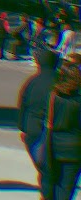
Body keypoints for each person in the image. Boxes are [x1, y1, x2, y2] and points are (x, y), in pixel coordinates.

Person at [19, 48, 59, 196]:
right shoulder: (61, 82)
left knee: (42, 166)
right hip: (54, 129)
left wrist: (22, 127)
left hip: (32, 128)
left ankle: (45, 189)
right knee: (52, 168)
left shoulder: (32, 82)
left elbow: (23, 105)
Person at [43, 63, 81, 200]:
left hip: (53, 145)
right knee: (66, 187)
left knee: (52, 182)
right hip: (75, 149)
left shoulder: (53, 97)